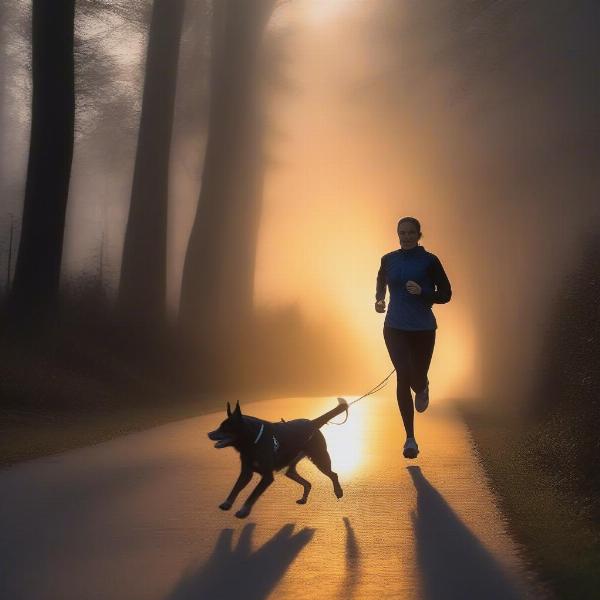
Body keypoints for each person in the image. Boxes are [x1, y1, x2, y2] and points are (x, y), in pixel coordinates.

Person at [375, 217, 452, 459]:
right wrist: (379, 300)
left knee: (416, 377)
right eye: (402, 232)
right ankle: (410, 439)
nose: (406, 236)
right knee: (402, 375)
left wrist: (423, 292)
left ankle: (422, 385)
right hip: (394, 327)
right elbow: (381, 282)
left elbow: (446, 294)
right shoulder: (388, 259)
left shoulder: (430, 261)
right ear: (397, 234)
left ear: (419, 235)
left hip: (423, 329)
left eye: (410, 233)